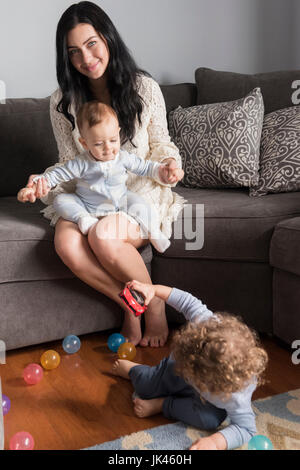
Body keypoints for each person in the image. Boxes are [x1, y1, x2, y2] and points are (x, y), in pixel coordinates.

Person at [24, 1, 185, 347]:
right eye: (74, 52)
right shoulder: (62, 103)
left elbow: (160, 145)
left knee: (102, 236)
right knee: (66, 242)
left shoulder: (144, 88)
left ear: (108, 38)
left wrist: (170, 166)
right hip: (89, 196)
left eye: (91, 43)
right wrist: (42, 182)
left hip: (135, 195)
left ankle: (154, 305)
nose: (85, 58)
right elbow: (69, 165)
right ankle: (130, 303)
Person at [112, 280, 268, 451]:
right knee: (145, 386)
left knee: (209, 420)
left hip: (207, 397)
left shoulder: (236, 395)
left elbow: (247, 429)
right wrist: (153, 290)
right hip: (176, 369)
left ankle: (163, 404)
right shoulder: (207, 325)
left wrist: (215, 442)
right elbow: (186, 301)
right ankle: (133, 369)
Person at [18, 101, 183, 253]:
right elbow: (57, 175)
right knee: (61, 201)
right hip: (88, 205)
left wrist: (163, 170)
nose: (108, 148)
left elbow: (145, 167)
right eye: (98, 144)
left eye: (113, 140)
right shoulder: (81, 163)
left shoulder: (123, 157)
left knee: (140, 203)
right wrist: (34, 185)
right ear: (84, 143)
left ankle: (153, 231)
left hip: (120, 201)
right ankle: (84, 219)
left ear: (118, 133)